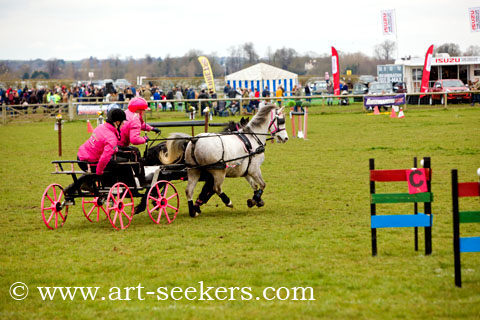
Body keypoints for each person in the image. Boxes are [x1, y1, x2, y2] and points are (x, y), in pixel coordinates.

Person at [64, 108, 127, 201]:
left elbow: (99, 145)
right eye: (123, 122)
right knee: (114, 165)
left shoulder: (100, 127)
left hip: (81, 157)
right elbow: (104, 158)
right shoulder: (111, 138)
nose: (124, 124)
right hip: (91, 161)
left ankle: (72, 188)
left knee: (96, 169)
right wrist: (99, 174)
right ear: (117, 122)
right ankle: (111, 187)